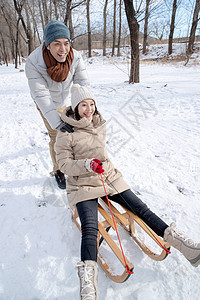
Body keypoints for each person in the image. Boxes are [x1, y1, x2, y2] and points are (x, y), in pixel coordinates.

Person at [55, 84, 200, 300]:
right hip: (82, 183)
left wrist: (102, 167)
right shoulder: (66, 133)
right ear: (75, 108)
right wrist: (87, 165)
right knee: (90, 227)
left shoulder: (98, 122)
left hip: (107, 176)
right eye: (83, 105)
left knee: (141, 208)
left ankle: (184, 246)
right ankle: (88, 282)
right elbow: (64, 165)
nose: (89, 108)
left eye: (92, 103)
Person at [25, 20, 89, 189]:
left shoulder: (75, 57)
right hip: (45, 100)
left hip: (63, 98)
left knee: (75, 131)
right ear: (47, 45)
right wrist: (57, 122)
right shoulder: (33, 62)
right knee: (57, 134)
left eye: (66, 43)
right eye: (57, 44)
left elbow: (82, 83)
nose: (63, 49)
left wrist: (85, 106)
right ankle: (59, 169)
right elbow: (41, 94)